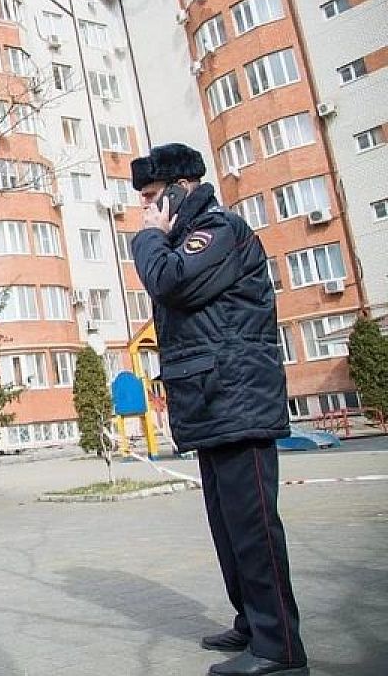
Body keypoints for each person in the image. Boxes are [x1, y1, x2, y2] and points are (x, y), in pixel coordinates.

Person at [131, 144, 307, 676]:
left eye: (153, 198)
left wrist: (147, 238)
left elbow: (171, 283)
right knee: (228, 526)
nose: (146, 211)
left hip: (238, 399)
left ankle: (279, 649)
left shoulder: (218, 232)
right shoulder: (185, 239)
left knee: (252, 526)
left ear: (182, 190)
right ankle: (252, 623)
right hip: (213, 401)